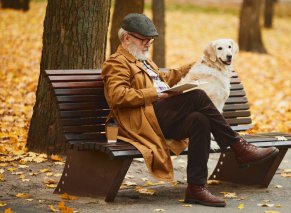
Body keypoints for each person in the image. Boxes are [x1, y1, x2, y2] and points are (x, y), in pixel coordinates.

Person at [101, 13, 279, 207]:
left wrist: (195, 64)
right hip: (143, 120)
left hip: (161, 117)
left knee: (199, 120)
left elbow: (165, 79)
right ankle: (239, 147)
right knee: (197, 95)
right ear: (127, 38)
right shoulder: (116, 62)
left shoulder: (144, 60)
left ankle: (196, 188)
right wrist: (155, 94)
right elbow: (117, 96)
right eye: (144, 40)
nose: (148, 44)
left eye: (150, 41)